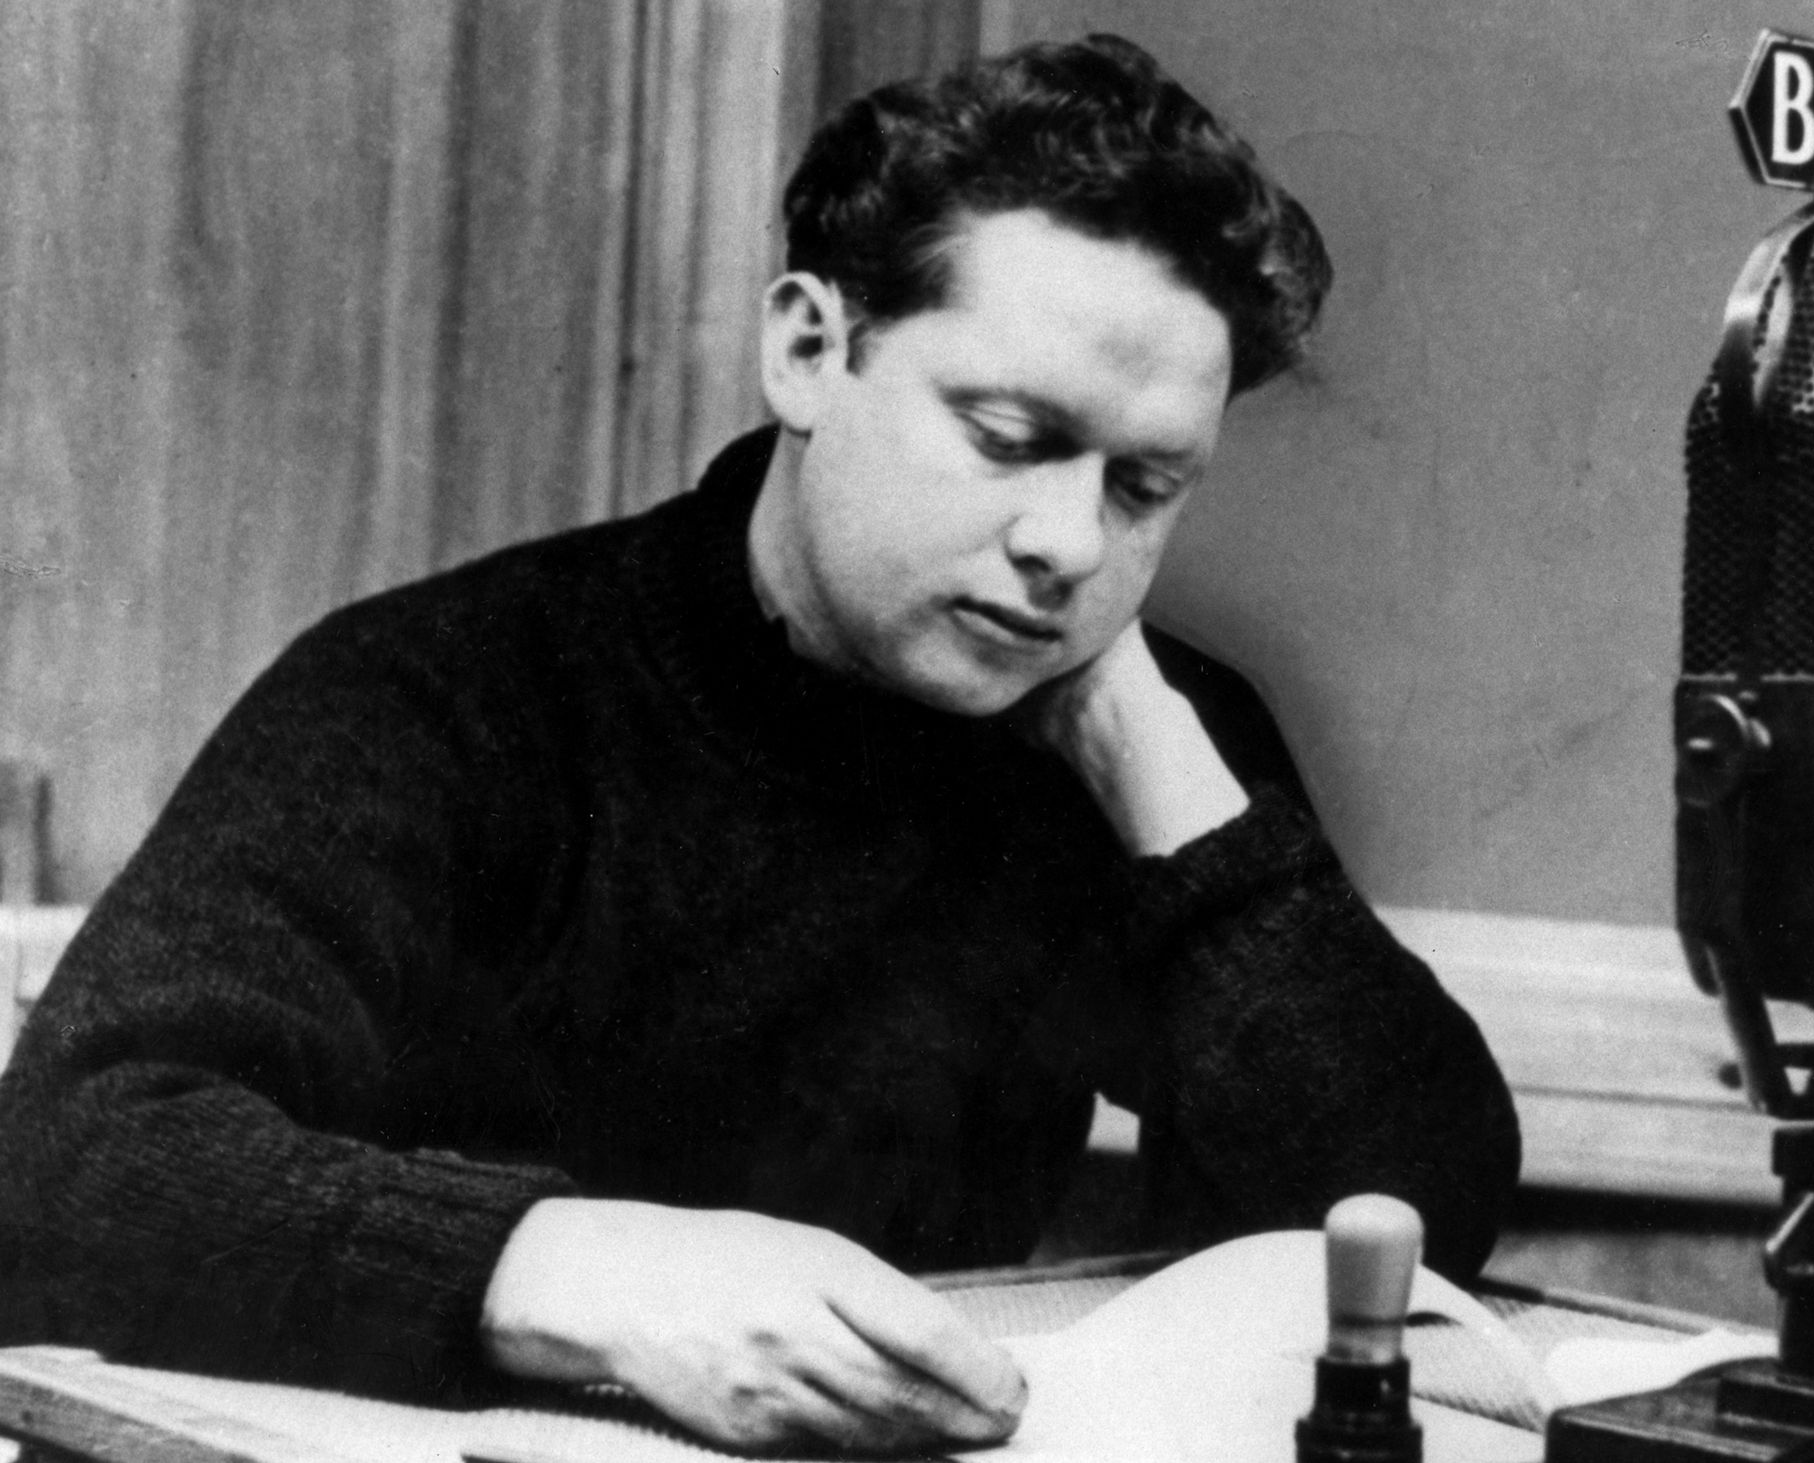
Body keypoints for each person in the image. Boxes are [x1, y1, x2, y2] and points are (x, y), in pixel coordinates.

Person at [0, 34, 1517, 1458]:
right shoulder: (446, 690)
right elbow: (65, 1164)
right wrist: (572, 1270)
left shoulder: (1144, 739)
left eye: (1144, 489)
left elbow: (1403, 1227)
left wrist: (1158, 772)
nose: (1067, 543)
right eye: (1009, 439)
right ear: (806, 351)